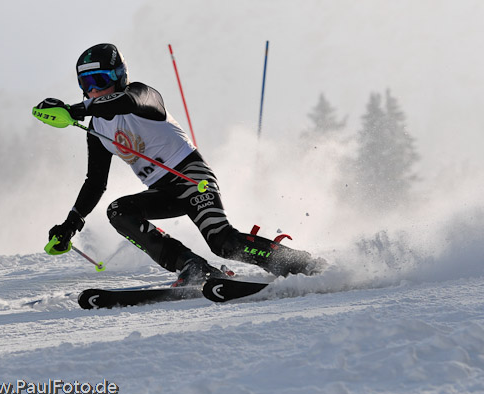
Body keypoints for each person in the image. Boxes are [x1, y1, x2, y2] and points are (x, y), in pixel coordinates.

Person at [35, 43, 323, 285]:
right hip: (162, 190)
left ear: (120, 77)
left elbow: (123, 104)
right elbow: (95, 182)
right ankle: (194, 268)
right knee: (119, 211)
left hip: (191, 175)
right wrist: (70, 226)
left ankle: (302, 264)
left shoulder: (142, 95)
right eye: (87, 84)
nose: (94, 90)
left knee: (223, 243)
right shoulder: (98, 128)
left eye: (100, 80)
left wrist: (75, 109)